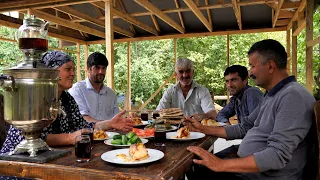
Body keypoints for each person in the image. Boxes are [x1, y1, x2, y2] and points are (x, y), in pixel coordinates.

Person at [185, 39, 315, 179]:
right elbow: (244, 127)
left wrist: (221, 165)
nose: (250, 72)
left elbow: (277, 155)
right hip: (250, 169)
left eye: (252, 66)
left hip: (263, 177)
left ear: (271, 66)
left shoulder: (292, 96)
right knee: (194, 166)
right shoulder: (272, 95)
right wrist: (202, 129)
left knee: (196, 171)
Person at [1, 51, 134, 154]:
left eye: (73, 69)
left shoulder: (67, 99)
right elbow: (30, 138)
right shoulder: (35, 96)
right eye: (68, 69)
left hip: (52, 158)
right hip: (18, 162)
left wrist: (109, 123)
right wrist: (69, 138)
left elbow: (83, 125)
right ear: (52, 71)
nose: (72, 74)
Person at [69, 52, 119, 122]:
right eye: (97, 68)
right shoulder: (77, 90)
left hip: (112, 132)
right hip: (87, 132)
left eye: (103, 68)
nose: (101, 72)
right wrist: (108, 125)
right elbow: (83, 119)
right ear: (88, 69)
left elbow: (117, 119)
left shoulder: (111, 93)